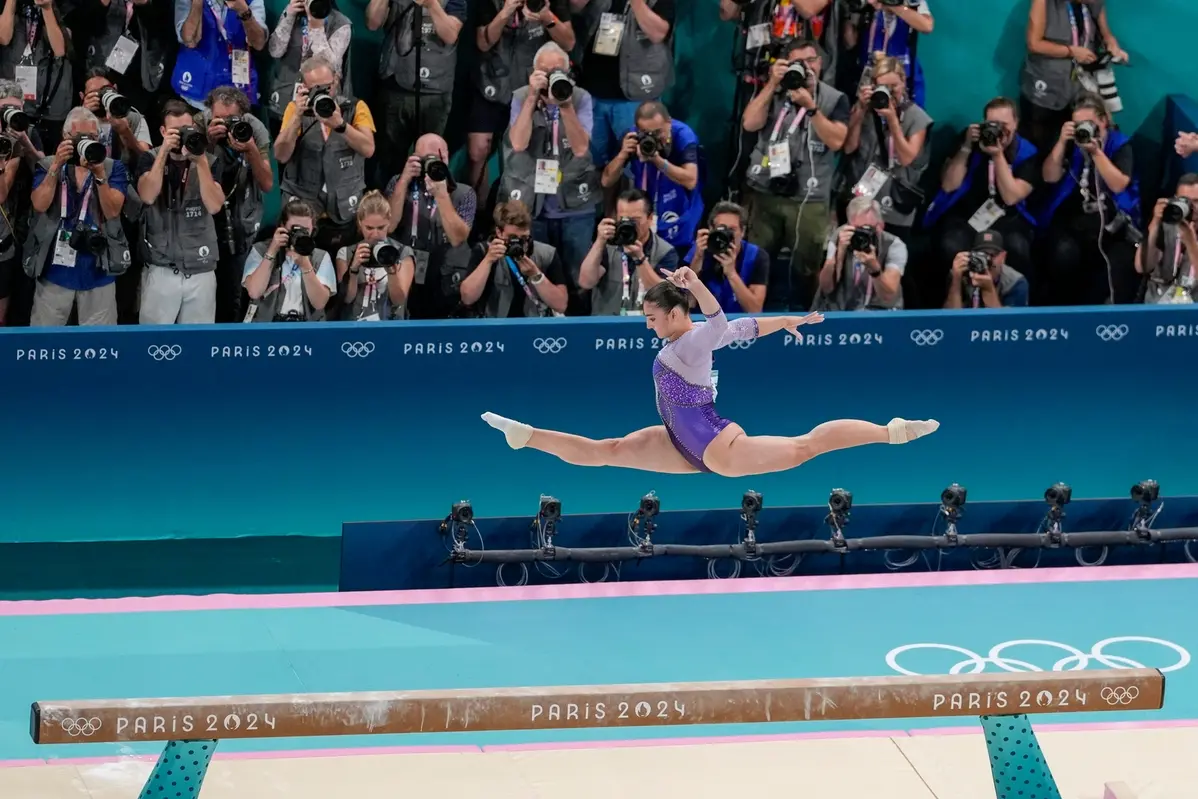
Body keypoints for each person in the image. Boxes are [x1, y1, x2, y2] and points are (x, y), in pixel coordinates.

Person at [481, 265, 938, 477]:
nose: (648, 325)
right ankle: (526, 436)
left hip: (715, 446)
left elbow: (721, 322)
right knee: (609, 450)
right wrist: (787, 321)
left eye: (652, 318)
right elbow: (746, 327)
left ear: (676, 314)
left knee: (805, 447)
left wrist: (696, 283)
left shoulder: (694, 338)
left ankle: (890, 431)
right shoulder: (692, 340)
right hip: (679, 440)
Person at [741, 38, 847, 311]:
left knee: (808, 267)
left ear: (820, 63)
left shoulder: (834, 98)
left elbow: (837, 141)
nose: (806, 68)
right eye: (798, 62)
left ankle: (810, 317)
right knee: (757, 260)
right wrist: (772, 84)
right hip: (766, 192)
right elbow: (750, 123)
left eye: (811, 61)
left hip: (809, 198)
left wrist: (811, 108)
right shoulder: (774, 92)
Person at [499, 41, 598, 301]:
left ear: (568, 72)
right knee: (536, 275)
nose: (552, 76)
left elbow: (580, 148)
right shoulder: (521, 96)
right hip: (533, 203)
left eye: (557, 71)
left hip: (575, 203)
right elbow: (518, 143)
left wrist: (565, 106)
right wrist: (532, 97)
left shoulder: (580, 98)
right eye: (545, 71)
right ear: (533, 72)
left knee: (579, 280)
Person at [921, 97, 1037, 308]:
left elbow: (1012, 196)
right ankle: (953, 304)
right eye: (992, 124)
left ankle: (1012, 308)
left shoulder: (1027, 152)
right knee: (950, 245)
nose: (997, 130)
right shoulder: (968, 141)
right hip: (967, 216)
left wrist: (998, 154)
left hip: (1007, 217)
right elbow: (948, 185)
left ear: (1016, 124)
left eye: (1004, 126)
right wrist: (965, 147)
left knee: (1017, 248)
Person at [24, 106, 131, 325]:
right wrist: (56, 166)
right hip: (55, 270)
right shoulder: (47, 165)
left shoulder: (113, 168)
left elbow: (112, 211)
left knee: (100, 346)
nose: (87, 143)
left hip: (99, 267)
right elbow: (39, 204)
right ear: (65, 137)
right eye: (80, 137)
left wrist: (100, 175)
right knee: (46, 343)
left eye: (92, 137)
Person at [1038, 94, 1138, 305]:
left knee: (1115, 260)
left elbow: (1118, 184)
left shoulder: (1121, 145)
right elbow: (1049, 176)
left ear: (1104, 121)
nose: (1084, 129)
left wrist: (1096, 153)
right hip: (1072, 218)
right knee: (1062, 253)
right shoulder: (1070, 142)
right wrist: (1061, 142)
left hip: (1110, 220)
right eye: (1078, 124)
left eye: (1090, 124)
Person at [469, 0, 575, 197]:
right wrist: (506, 11)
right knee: (478, 151)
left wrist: (546, 18)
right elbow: (483, 43)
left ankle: (528, 211)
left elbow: (568, 42)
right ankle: (479, 216)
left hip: (533, 88)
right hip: (491, 83)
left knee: (530, 151)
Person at [134, 98, 225, 324]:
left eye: (187, 129)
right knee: (153, 343)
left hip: (200, 267)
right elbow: (147, 195)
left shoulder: (210, 161)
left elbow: (214, 206)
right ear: (163, 131)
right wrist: (164, 151)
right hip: (161, 267)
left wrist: (200, 162)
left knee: (198, 344)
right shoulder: (149, 158)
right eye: (175, 131)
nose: (182, 135)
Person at [275, 55, 375, 255]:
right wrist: (297, 118)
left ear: (336, 80)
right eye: (315, 88)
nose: (323, 93)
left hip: (344, 205)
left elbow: (368, 149)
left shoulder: (355, 108)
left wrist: (341, 126)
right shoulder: (295, 110)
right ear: (303, 86)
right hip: (303, 207)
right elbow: (281, 155)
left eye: (327, 87)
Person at [366, 0, 466, 185]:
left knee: (431, 159)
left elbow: (450, 35)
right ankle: (389, 204)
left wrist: (432, 5)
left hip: (436, 89)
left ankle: (425, 208)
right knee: (389, 159)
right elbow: (372, 23)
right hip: (396, 84)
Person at [201, 85, 274, 322]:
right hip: (206, 222)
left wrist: (250, 149)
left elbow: (267, 184)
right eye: (217, 119)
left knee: (235, 295)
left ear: (242, 115)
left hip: (241, 219)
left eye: (230, 119)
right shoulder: (199, 123)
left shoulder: (254, 128)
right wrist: (208, 144)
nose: (223, 124)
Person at [841, 53, 931, 242]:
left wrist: (892, 120)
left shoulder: (917, 117)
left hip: (895, 204)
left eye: (894, 87)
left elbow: (907, 158)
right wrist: (860, 111)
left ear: (903, 83)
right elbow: (849, 148)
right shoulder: (866, 110)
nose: (889, 92)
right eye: (884, 87)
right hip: (862, 199)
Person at [386, 132, 476, 319]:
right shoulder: (399, 182)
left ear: (446, 157)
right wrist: (404, 181)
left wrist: (441, 194)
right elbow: (389, 226)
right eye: (423, 158)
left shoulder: (464, 193)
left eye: (434, 158)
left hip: (444, 274)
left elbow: (458, 238)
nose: (429, 164)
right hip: (406, 268)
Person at [574, 0, 676, 165]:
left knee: (636, 165)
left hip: (636, 97)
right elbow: (574, 7)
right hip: (593, 94)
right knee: (593, 165)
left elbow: (657, 34)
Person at [1020, 0, 1126, 155]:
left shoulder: (1094, 3)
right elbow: (1034, 44)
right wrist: (1071, 51)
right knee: (1041, 149)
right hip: (1045, 91)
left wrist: (1112, 46)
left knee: (1075, 148)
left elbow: (1106, 35)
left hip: (1079, 90)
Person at [601, 100, 703, 256]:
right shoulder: (632, 137)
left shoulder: (683, 135)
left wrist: (657, 160)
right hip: (647, 214)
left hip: (679, 214)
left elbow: (690, 180)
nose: (652, 138)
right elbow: (606, 180)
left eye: (657, 132)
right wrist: (622, 155)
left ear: (669, 122)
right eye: (645, 133)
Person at [458, 198, 568, 317]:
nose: (518, 243)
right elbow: (467, 298)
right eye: (512, 237)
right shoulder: (483, 251)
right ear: (499, 232)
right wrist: (488, 261)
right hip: (495, 327)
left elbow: (561, 305)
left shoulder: (547, 254)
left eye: (524, 238)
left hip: (534, 327)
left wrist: (536, 275)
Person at [578, 187, 676, 315]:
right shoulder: (607, 245)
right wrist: (599, 241)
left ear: (650, 218)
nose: (629, 225)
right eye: (624, 219)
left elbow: (666, 297)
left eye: (635, 220)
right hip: (606, 327)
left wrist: (640, 260)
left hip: (647, 328)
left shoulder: (665, 251)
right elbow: (586, 282)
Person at [266, 0, 353, 136]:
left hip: (320, 104)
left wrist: (316, 27)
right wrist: (288, 17)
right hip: (284, 101)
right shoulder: (292, 13)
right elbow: (275, 51)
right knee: (283, 152)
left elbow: (330, 66)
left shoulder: (340, 23)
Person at [241, 197, 336, 321]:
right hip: (268, 326)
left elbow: (319, 303)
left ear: (313, 230)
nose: (300, 234)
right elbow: (254, 292)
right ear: (282, 226)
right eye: (295, 229)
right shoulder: (260, 250)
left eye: (305, 231)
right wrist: (271, 252)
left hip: (306, 327)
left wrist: (305, 265)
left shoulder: (320, 257)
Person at [0, 0, 73, 149]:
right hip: (12, 101)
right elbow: (4, 37)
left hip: (48, 101)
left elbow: (59, 49)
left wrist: (46, 8)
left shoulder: (64, 6)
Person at [814, 196, 905, 311]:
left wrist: (875, 270)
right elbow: (826, 288)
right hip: (841, 310)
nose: (863, 235)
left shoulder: (894, 245)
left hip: (878, 313)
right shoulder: (839, 237)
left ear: (881, 226)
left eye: (868, 229)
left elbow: (888, 296)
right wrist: (838, 255)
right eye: (858, 229)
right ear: (849, 225)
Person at [335, 189, 415, 320]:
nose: (375, 234)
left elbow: (399, 301)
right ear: (360, 223)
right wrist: (354, 269)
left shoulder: (402, 252)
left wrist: (392, 272)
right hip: (354, 327)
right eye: (369, 228)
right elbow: (347, 299)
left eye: (381, 227)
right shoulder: (346, 253)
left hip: (389, 327)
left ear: (389, 222)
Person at [173, 0, 267, 110]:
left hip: (236, 97)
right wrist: (197, 3)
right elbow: (190, 40)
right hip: (195, 92)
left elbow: (259, 43)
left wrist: (244, 11)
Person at [843, 0, 934, 108]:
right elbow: (850, 43)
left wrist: (891, 5)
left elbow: (927, 26)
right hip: (868, 75)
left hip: (902, 76)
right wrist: (850, 14)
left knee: (905, 118)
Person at [682, 201, 769, 314]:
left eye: (732, 230)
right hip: (704, 323)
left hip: (740, 324)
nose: (726, 235)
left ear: (743, 232)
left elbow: (755, 310)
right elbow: (687, 304)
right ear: (711, 229)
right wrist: (697, 261)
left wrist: (732, 274)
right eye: (721, 228)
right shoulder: (697, 251)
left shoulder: (757, 256)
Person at [1137, 174, 1198, 305]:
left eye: (1197, 201)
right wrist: (1155, 222)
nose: (1192, 207)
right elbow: (1142, 266)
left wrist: (1190, 242)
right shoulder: (1165, 225)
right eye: (1185, 200)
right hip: (1158, 307)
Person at [944, 230, 1029, 310]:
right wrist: (956, 280)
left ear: (1003, 257)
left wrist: (988, 290)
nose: (986, 260)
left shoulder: (1016, 282)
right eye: (981, 255)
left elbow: (1008, 324)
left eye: (992, 255)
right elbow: (949, 320)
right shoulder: (960, 274)